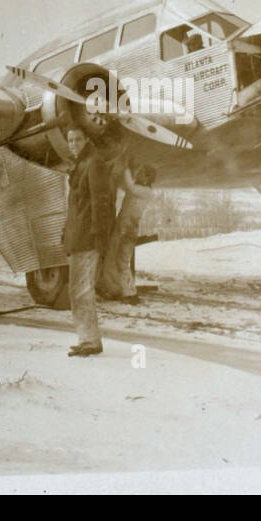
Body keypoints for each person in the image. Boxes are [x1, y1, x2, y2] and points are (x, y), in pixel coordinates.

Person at [60, 126, 115, 357]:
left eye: (77, 139)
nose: (73, 144)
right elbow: (75, 208)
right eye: (70, 140)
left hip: (87, 239)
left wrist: (99, 239)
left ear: (86, 139)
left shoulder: (93, 163)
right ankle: (86, 338)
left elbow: (101, 204)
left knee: (82, 291)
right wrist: (66, 233)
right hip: (78, 238)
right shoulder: (81, 164)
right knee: (77, 291)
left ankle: (91, 341)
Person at [100, 162, 156, 302]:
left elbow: (129, 186)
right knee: (116, 259)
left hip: (127, 228)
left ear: (147, 178)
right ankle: (118, 289)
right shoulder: (143, 190)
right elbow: (129, 186)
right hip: (126, 227)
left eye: (142, 172)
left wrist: (125, 167)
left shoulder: (144, 191)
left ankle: (129, 293)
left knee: (121, 261)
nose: (139, 174)